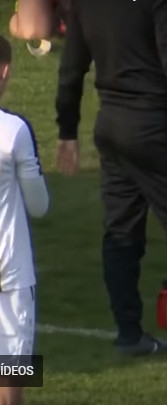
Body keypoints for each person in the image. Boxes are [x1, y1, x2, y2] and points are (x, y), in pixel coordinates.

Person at [54, 0, 167, 359]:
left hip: (112, 127)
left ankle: (129, 333)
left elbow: (71, 66)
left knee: (121, 233)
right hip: (157, 126)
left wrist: (67, 131)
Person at [0, 35, 50, 405]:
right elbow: (38, 206)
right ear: (4, 72)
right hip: (11, 274)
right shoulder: (14, 131)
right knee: (13, 378)